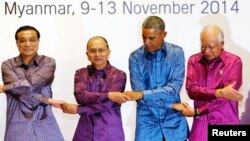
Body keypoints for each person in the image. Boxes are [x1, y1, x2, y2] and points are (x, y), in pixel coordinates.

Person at [126, 15, 189, 141]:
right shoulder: (135, 57)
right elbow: (140, 97)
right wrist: (172, 105)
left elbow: (173, 89)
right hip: (147, 124)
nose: (146, 42)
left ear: (163, 35)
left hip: (174, 123)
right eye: (144, 37)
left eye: (151, 38)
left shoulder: (177, 53)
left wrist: (143, 94)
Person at [1, 25, 65, 141]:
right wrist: (48, 100)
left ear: (38, 42)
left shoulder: (48, 62)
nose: (27, 44)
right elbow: (21, 93)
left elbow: (28, 86)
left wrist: (7, 87)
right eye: (22, 40)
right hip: (17, 125)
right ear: (17, 43)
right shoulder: (7, 65)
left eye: (32, 40)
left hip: (45, 124)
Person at [61, 36, 130, 141]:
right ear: (87, 54)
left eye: (101, 50)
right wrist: (108, 95)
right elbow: (81, 97)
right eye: (93, 51)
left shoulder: (119, 75)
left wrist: (78, 109)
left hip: (110, 132)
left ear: (108, 52)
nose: (97, 54)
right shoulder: (81, 73)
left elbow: (109, 104)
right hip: (85, 131)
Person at [182, 25, 243, 141]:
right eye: (203, 46)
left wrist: (198, 111)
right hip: (201, 124)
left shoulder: (234, 62)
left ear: (222, 44)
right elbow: (192, 90)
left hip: (226, 122)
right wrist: (219, 92)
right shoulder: (194, 60)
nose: (206, 51)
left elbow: (226, 97)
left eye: (211, 47)